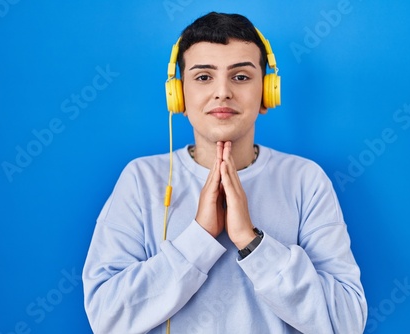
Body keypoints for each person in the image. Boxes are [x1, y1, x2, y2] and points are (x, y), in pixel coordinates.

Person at [83, 12, 367, 334]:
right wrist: (199, 237)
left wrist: (252, 241)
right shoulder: (141, 179)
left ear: (267, 92)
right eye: (203, 77)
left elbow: (346, 323)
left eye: (241, 77)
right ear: (178, 96)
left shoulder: (306, 180)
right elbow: (107, 318)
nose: (222, 92)